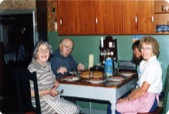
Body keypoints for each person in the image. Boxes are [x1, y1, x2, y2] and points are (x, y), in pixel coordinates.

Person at [28, 41, 80, 114]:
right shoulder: (33, 68)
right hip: (41, 102)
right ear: (36, 53)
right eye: (41, 50)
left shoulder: (47, 64)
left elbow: (51, 75)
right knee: (73, 110)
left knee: (75, 108)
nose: (44, 52)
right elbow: (31, 93)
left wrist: (55, 81)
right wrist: (49, 91)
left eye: (46, 49)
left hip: (51, 98)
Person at [116, 36, 163, 114]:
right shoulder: (147, 63)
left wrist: (127, 99)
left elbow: (142, 90)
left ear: (154, 50)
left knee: (114, 108)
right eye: (143, 48)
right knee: (120, 104)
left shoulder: (153, 66)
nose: (144, 51)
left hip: (148, 101)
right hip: (145, 98)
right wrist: (129, 97)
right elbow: (140, 88)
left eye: (148, 48)